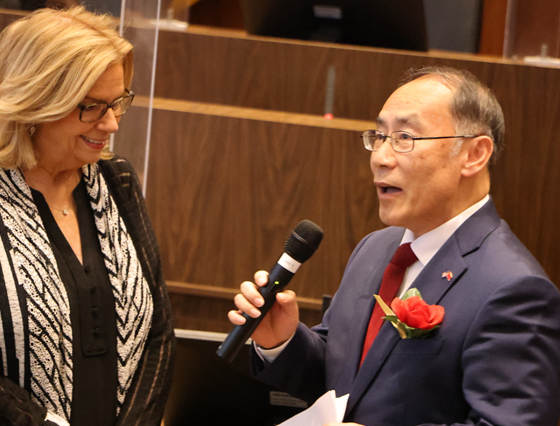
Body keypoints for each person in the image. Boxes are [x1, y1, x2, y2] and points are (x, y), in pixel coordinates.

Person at [229, 66, 560, 426]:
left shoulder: (515, 289)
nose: (380, 157)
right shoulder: (376, 248)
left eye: (405, 137)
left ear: (474, 154)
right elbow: (348, 384)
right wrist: (282, 342)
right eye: (379, 136)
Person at [0, 7, 174, 426]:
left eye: (118, 103)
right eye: (92, 107)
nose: (112, 124)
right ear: (36, 101)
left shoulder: (116, 180)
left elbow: (158, 331)